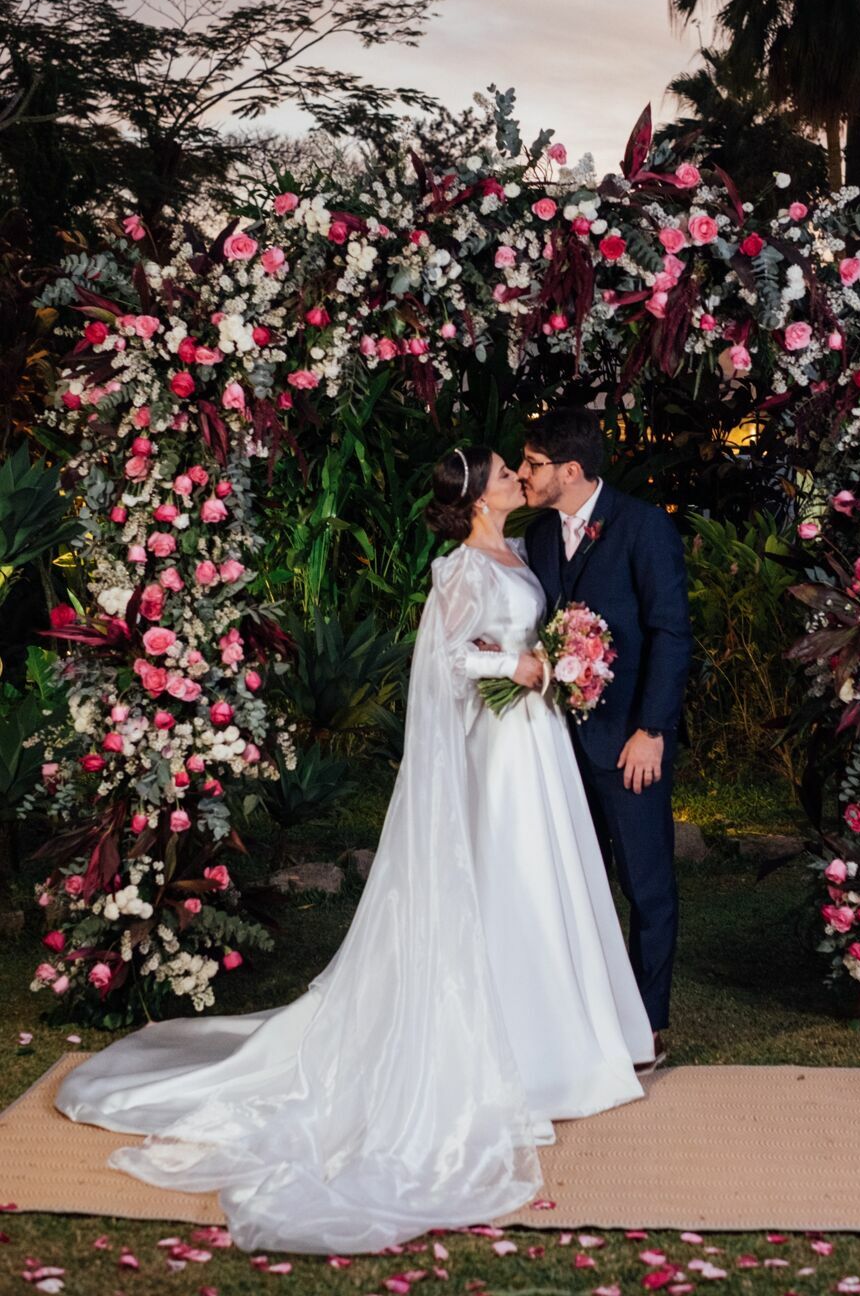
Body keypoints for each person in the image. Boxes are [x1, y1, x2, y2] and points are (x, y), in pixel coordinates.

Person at [53, 446, 653, 1256]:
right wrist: (519, 662)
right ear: (477, 496)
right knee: (510, 880)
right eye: (506, 472)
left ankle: (565, 1039)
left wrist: (562, 661)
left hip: (531, 741)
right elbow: (448, 660)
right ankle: (523, 1049)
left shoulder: (521, 549)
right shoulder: (460, 568)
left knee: (546, 881)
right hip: (502, 749)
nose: (518, 476)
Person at [517, 407, 692, 1065]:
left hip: (627, 743)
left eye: (532, 464)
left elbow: (671, 633)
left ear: (569, 469)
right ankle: (582, 1014)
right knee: (574, 884)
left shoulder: (643, 526)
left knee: (644, 886)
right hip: (553, 744)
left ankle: (645, 1027)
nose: (525, 473)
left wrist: (652, 730)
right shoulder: (535, 535)